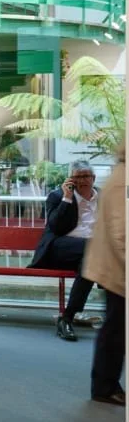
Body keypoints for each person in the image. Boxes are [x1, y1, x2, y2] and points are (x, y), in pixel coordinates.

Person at [30, 160, 100, 341]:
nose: (82, 180)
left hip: (91, 252)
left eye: (86, 176)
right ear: (70, 179)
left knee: (90, 262)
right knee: (94, 251)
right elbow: (55, 227)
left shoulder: (103, 197)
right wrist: (67, 198)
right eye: (77, 177)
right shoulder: (58, 196)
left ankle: (66, 318)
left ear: (93, 178)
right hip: (58, 248)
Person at [82, 142, 126, 406]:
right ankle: (104, 386)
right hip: (118, 269)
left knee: (116, 328)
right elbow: (122, 233)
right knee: (116, 329)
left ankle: (105, 385)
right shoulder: (123, 182)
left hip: (115, 267)